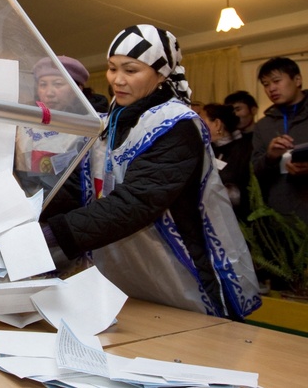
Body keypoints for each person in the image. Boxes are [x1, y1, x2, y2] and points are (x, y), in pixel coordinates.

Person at [39, 24, 260, 319]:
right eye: (112, 68)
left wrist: (50, 235)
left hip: (179, 272)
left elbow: (137, 202)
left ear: (161, 74)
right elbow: (78, 186)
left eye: (131, 70)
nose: (117, 80)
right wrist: (27, 214)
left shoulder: (177, 125)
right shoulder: (107, 123)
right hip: (127, 272)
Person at [14, 55, 94, 197]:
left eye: (58, 84)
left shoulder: (92, 126)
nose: (49, 93)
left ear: (78, 89)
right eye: (43, 85)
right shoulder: (24, 122)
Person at [251, 57, 308, 222]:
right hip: (281, 217)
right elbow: (255, 173)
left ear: (297, 80)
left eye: (276, 81)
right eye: (266, 84)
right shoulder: (263, 125)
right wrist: (270, 157)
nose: (271, 89)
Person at [200, 103, 252, 223]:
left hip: (237, 221)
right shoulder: (208, 149)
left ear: (217, 124)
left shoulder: (244, 150)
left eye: (202, 121)